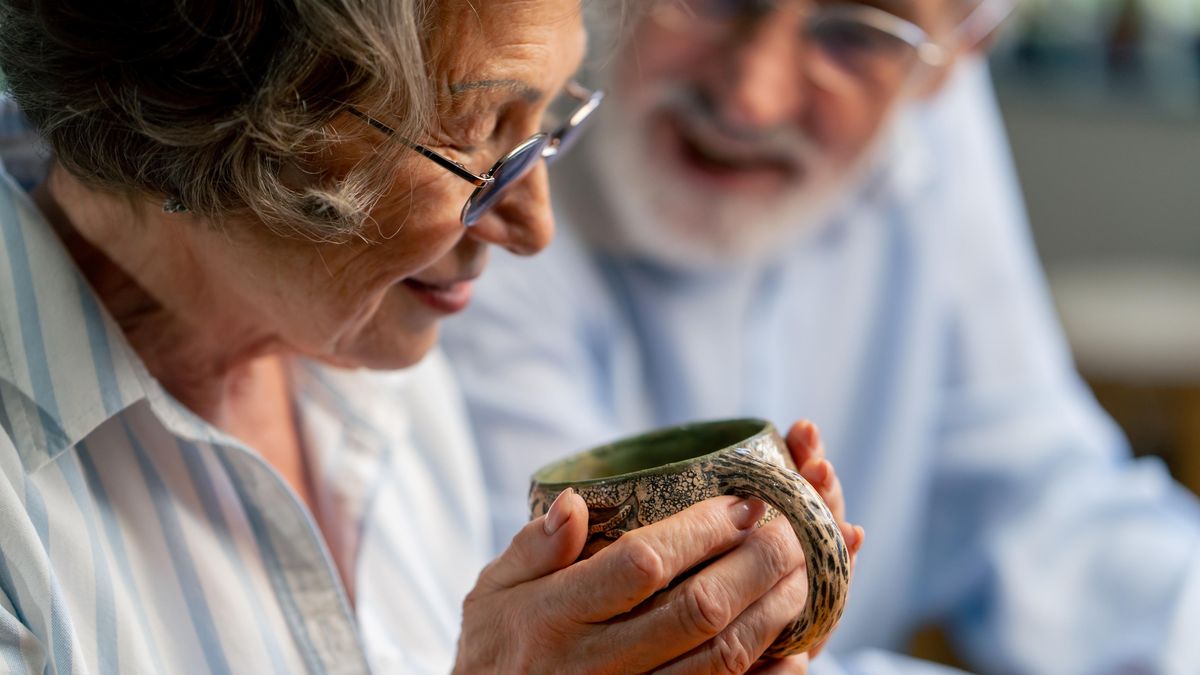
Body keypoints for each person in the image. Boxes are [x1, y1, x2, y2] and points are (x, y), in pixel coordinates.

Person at [0, 1, 863, 673]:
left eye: (545, 128)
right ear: (201, 105)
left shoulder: (379, 354)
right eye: (480, 141)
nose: (533, 228)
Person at [443, 0, 1200, 673]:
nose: (751, 100)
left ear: (958, 54)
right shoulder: (499, 135)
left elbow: (1043, 498)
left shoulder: (930, 91)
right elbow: (612, 630)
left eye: (851, 33)